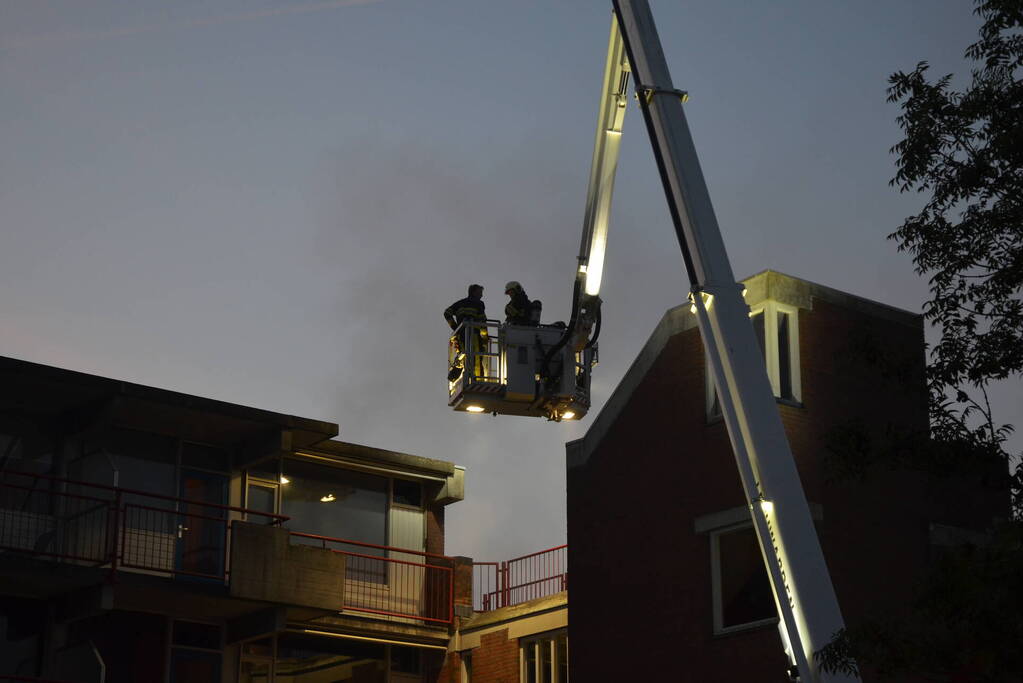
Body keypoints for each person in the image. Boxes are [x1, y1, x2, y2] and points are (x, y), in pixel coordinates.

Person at [444, 284, 487, 380]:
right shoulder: (479, 304)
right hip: (473, 334)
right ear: (474, 292)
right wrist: (485, 338)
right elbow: (483, 323)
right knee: (476, 357)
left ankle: (464, 376)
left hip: (460, 335)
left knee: (465, 356)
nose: (481, 295)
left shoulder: (460, 303)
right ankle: (477, 380)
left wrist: (455, 328)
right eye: (480, 292)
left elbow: (447, 313)